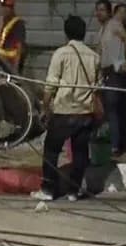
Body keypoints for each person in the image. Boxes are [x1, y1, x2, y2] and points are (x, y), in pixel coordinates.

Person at [32, 15, 101, 202]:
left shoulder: (61, 54)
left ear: (66, 33)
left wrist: (45, 108)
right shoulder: (94, 57)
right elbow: (97, 87)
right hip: (85, 112)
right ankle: (74, 191)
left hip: (64, 111)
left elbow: (51, 85)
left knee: (52, 150)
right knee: (80, 152)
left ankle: (48, 189)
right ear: (84, 33)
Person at [94, 0, 126, 155]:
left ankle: (115, 146)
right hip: (105, 72)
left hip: (115, 72)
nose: (99, 13)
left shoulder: (114, 25)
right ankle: (116, 141)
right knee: (111, 109)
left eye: (102, 10)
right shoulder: (102, 30)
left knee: (112, 108)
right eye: (97, 10)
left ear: (109, 12)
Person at [0, 0, 27, 74]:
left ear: (11, 8)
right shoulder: (4, 21)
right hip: (0, 62)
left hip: (10, 64)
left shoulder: (18, 24)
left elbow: (19, 47)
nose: (3, 10)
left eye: (5, 7)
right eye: (2, 7)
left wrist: (15, 70)